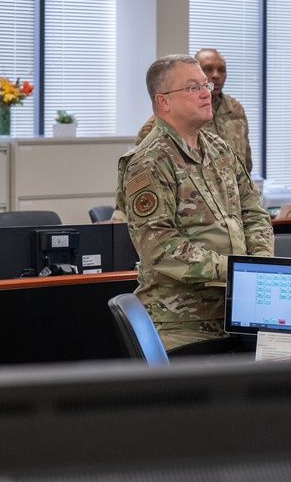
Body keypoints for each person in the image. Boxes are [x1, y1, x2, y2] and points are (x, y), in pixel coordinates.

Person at [116, 54, 274, 351]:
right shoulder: (149, 161)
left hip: (239, 315)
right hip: (183, 325)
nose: (207, 91)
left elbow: (254, 213)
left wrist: (258, 263)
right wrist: (236, 271)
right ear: (163, 102)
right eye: (193, 87)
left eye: (205, 84)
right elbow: (159, 245)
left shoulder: (219, 149)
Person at [136, 48, 253, 173]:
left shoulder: (235, 108)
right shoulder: (174, 115)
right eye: (208, 69)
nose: (216, 75)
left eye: (221, 70)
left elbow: (246, 160)